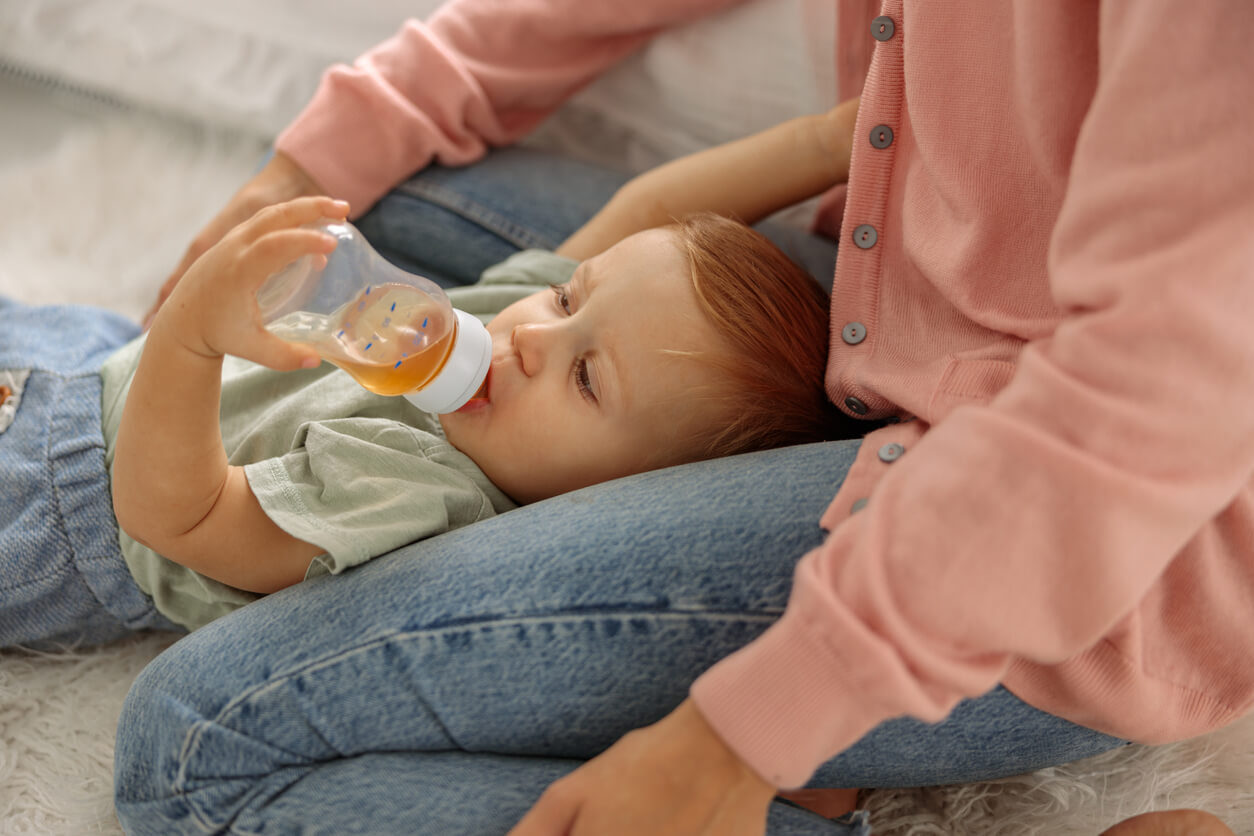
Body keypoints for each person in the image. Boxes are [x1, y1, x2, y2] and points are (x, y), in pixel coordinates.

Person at [114, 2, 1251, 835]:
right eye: (565, 300)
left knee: (198, 743)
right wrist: (305, 167)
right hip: (878, 288)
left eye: (586, 371)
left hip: (1086, 506)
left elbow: (1154, 390)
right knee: (375, 213)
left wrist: (752, 724)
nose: (516, 328)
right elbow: (634, 212)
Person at [2, 196, 855, 646]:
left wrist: (189, 337)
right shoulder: (507, 331)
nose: (532, 338)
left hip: (56, 510)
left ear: (624, 498)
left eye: (588, 379)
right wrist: (824, 141)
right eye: (568, 294)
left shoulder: (423, 495)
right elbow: (654, 200)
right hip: (89, 354)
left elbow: (174, 515)